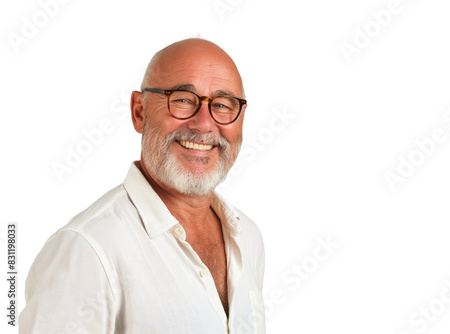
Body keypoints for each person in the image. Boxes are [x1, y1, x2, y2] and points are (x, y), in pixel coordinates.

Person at [19, 38, 266, 333]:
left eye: (224, 105)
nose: (204, 124)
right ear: (139, 111)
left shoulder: (246, 237)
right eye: (183, 100)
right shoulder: (87, 250)